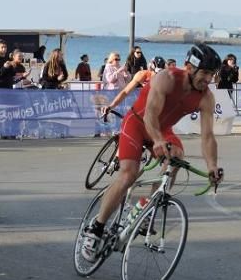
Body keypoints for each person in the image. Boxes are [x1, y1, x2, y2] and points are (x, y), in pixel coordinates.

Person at [80, 43, 224, 261]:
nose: (208, 80)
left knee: (176, 156)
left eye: (212, 75)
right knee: (128, 174)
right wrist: (157, 140)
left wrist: (212, 166)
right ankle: (96, 228)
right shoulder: (166, 78)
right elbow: (150, 115)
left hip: (163, 129)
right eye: (204, 73)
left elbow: (207, 136)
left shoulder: (206, 97)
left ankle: (149, 208)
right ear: (189, 68)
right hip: (138, 123)